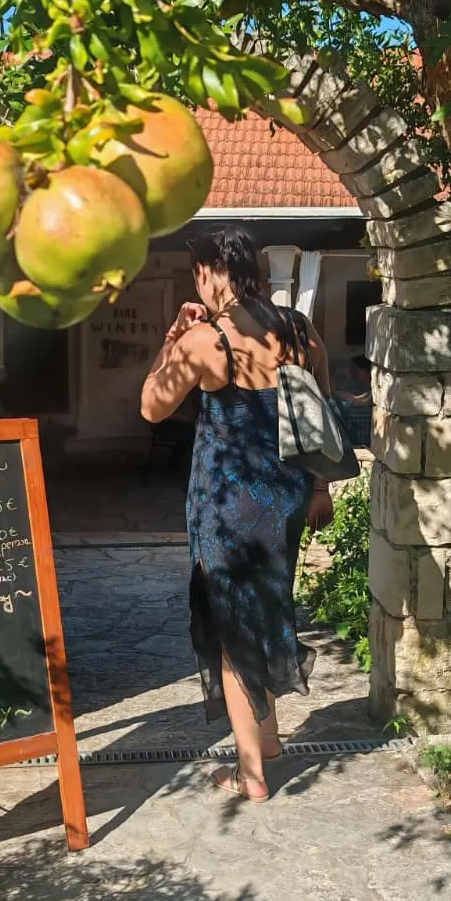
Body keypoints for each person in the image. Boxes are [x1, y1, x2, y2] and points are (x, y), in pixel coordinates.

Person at [140, 227, 334, 801]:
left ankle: (251, 775)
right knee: (264, 612)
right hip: (286, 497)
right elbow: (319, 411)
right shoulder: (298, 329)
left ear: (208, 271)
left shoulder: (208, 340)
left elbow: (151, 406)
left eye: (196, 271)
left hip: (227, 506)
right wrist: (320, 486)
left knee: (230, 630)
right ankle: (267, 741)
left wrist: (173, 338)